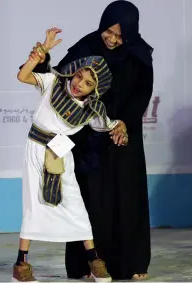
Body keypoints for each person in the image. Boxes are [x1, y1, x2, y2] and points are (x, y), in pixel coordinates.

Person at [29, 0, 154, 280]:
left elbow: (142, 93)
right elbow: (61, 77)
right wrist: (43, 58)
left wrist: (124, 123)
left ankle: (133, 264)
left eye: (119, 35)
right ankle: (87, 265)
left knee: (128, 197)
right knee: (90, 201)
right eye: (107, 32)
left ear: (130, 33)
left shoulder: (139, 54)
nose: (111, 39)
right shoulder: (87, 47)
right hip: (90, 140)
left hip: (123, 136)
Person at [12, 28, 125, 282]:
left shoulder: (92, 109)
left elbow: (108, 123)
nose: (79, 84)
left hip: (62, 155)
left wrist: (121, 126)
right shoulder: (53, 83)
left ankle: (94, 259)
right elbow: (22, 75)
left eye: (87, 83)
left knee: (75, 205)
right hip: (37, 150)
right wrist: (42, 52)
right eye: (79, 76)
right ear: (74, 72)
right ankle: (21, 264)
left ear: (95, 89)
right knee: (33, 204)